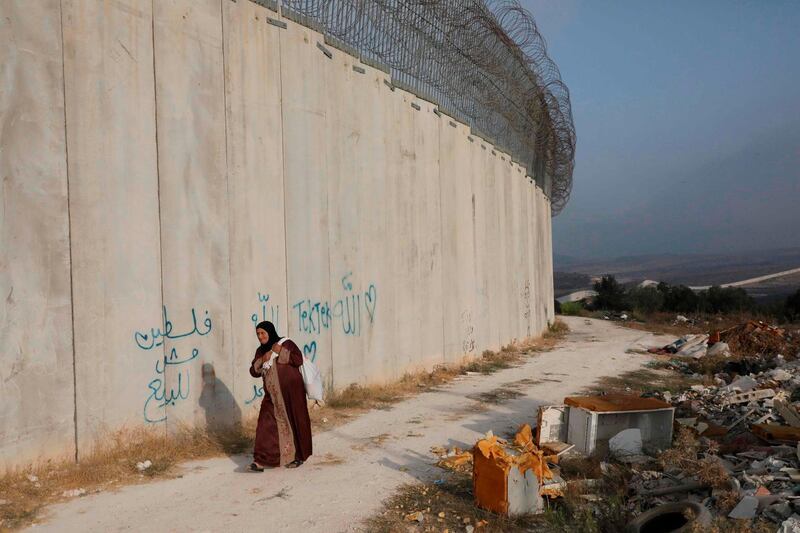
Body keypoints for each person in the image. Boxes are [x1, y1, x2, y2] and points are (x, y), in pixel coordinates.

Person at [249, 321, 312, 470]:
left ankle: (297, 457)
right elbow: (253, 371)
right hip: (271, 397)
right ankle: (261, 460)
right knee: (265, 426)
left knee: (295, 422)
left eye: (263, 333)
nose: (260, 336)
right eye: (258, 334)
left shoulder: (286, 343)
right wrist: (261, 360)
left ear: (270, 332)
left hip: (292, 394)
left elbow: (298, 359)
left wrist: (281, 350)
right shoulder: (260, 351)